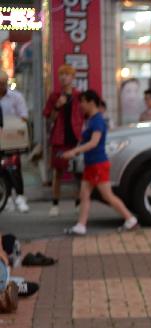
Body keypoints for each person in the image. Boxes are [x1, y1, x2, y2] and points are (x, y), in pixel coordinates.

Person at [62, 90, 138, 236]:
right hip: (92, 164)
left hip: (98, 164)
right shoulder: (92, 120)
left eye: (83, 102)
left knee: (107, 196)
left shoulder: (97, 121)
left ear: (91, 102)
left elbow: (94, 142)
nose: (81, 105)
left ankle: (130, 219)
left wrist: (75, 151)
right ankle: (81, 225)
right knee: (84, 194)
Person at [42, 64, 84, 217]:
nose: (63, 77)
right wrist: (57, 107)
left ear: (73, 78)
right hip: (59, 138)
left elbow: (84, 115)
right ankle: (55, 204)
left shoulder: (79, 96)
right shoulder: (54, 96)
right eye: (61, 75)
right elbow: (50, 117)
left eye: (66, 74)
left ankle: (78, 203)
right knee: (57, 172)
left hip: (75, 138)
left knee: (77, 173)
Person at [0, 71, 30, 213]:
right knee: (2, 168)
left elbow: (24, 116)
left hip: (12, 137)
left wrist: (12, 125)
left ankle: (19, 195)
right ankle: (8, 197)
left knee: (14, 166)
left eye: (2, 83)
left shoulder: (16, 97)